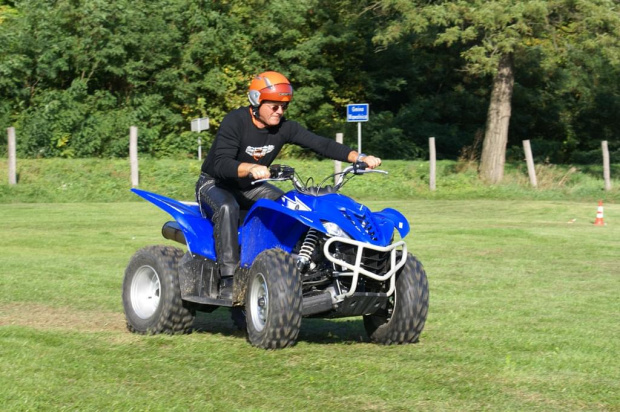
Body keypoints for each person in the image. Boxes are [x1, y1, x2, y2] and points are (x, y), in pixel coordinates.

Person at [195, 70, 381, 299]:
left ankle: (292, 266)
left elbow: (320, 144)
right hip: (215, 183)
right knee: (227, 209)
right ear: (256, 101)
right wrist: (250, 168)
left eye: (284, 106)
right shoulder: (236, 121)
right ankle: (229, 279)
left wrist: (358, 157)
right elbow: (221, 163)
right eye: (274, 106)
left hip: (250, 186)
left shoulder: (284, 127)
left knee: (287, 208)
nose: (280, 111)